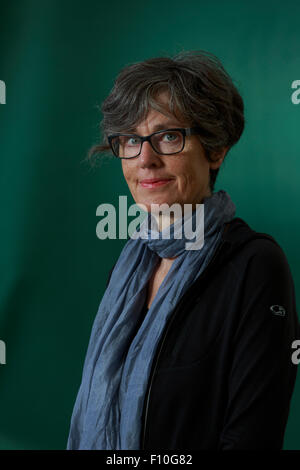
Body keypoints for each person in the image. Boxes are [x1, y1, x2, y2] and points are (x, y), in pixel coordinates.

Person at [67, 50, 299, 450]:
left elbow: (252, 438)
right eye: (130, 140)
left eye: (168, 137)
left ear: (215, 149)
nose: (145, 159)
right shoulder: (131, 266)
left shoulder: (255, 266)